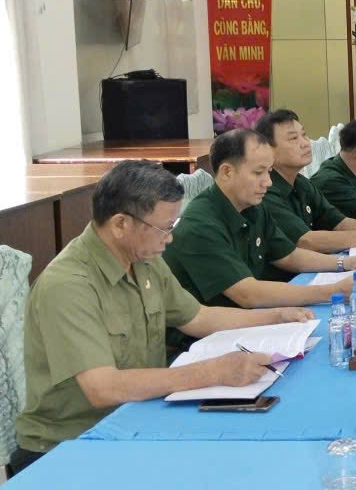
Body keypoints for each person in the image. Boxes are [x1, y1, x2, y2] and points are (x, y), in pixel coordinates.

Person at [9, 161, 314, 475]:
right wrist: (213, 372)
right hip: (69, 447)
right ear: (120, 224)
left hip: (140, 416)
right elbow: (103, 388)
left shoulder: (142, 257)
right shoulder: (68, 286)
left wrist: (274, 317)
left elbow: (197, 317)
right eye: (165, 228)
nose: (169, 239)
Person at [162, 130, 356, 314]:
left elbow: (289, 255)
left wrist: (345, 263)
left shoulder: (253, 206)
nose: (268, 182)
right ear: (227, 172)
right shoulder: (200, 224)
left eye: (269, 172)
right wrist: (331, 292)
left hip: (251, 316)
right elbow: (247, 293)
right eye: (258, 173)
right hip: (208, 337)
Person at [255, 109, 356, 253]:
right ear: (268, 149)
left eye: (304, 135)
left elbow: (338, 221)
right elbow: (306, 241)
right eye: (293, 138)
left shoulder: (302, 183)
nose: (305, 143)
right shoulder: (265, 190)